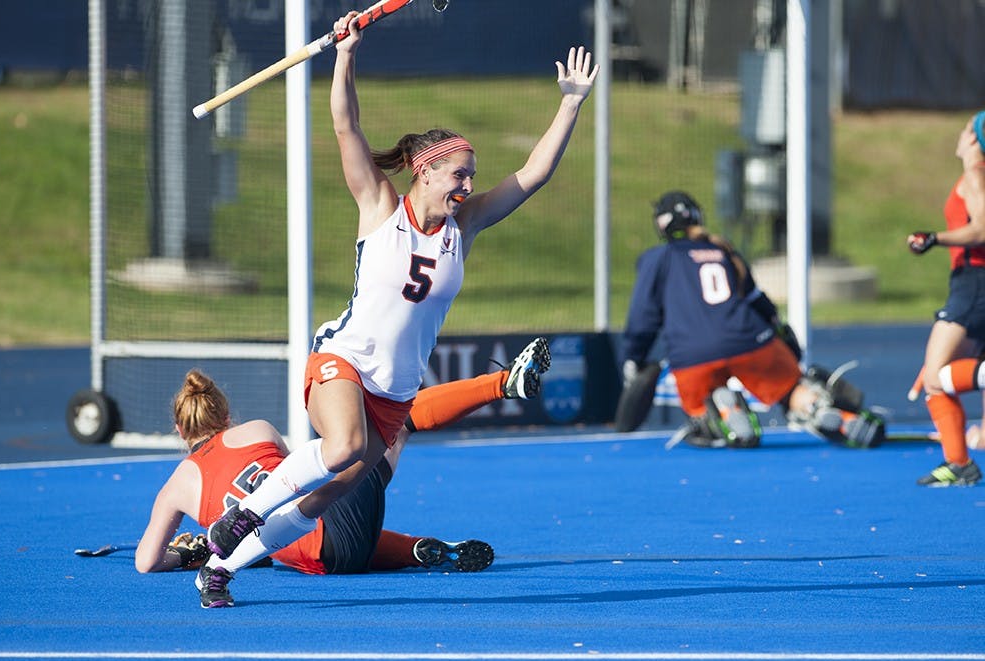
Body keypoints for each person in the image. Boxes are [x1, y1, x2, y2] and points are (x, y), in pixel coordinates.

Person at [197, 9, 597, 607]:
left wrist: (569, 103)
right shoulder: (381, 206)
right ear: (425, 171)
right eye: (459, 175)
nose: (468, 185)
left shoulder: (467, 225)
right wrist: (346, 54)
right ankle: (242, 514)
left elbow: (534, 174)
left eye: (473, 177)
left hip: (395, 390)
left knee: (330, 495)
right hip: (343, 360)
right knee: (342, 449)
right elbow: (345, 125)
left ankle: (220, 567)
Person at [136, 337, 549, 608]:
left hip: (321, 561)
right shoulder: (256, 430)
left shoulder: (175, 488)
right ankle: (501, 384)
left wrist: (186, 554)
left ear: (178, 429)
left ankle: (412, 550)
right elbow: (301, 478)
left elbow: (145, 563)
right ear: (225, 416)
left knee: (317, 519)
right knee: (395, 421)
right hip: (329, 526)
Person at [620, 190, 885, 450]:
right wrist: (780, 334)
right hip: (749, 338)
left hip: (691, 354)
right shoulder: (724, 251)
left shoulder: (657, 259)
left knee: (700, 416)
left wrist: (634, 357)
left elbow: (643, 316)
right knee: (791, 389)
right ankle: (817, 407)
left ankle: (723, 412)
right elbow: (758, 301)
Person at [905, 111, 985, 487]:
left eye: (968, 129)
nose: (962, 133)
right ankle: (960, 463)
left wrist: (934, 238)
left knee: (936, 378)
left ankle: (958, 464)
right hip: (973, 283)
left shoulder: (976, 175)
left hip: (974, 283)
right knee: (957, 371)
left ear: (975, 140)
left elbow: (981, 229)